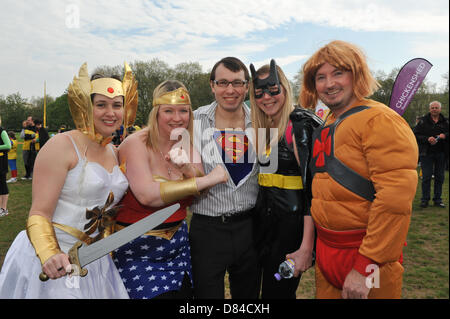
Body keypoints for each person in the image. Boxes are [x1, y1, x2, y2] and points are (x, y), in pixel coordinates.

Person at [0, 62, 137, 298]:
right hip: (53, 259)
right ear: (86, 107)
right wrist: (48, 253)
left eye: (117, 105)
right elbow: (39, 212)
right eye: (101, 105)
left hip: (95, 261)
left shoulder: (115, 152)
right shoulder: (62, 146)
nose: (110, 113)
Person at [299, 40, 418, 299]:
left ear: (356, 75)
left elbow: (394, 201)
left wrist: (365, 266)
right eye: (321, 77)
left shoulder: (380, 120)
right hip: (327, 252)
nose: (329, 84)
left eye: (338, 73)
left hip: (367, 258)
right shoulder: (328, 122)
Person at [113, 80, 228, 299]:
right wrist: (209, 179)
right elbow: (147, 195)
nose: (177, 118)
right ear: (156, 112)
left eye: (183, 110)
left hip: (177, 248)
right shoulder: (136, 143)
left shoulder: (186, 143)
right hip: (138, 250)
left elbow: (198, 195)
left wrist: (186, 169)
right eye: (169, 111)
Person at [249, 60, 321, 298]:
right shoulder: (263, 125)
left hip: (291, 232)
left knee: (278, 292)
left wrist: (306, 247)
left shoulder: (300, 124)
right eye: (259, 93)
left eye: (273, 90)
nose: (266, 98)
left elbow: (313, 192)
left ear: (285, 89)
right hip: (262, 229)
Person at [190, 57, 260, 299]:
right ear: (212, 85)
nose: (230, 90)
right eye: (222, 83)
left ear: (247, 86)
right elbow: (156, 130)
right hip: (207, 229)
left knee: (248, 297)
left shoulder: (261, 122)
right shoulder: (192, 121)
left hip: (250, 228)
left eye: (237, 83)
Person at [413, 101, 449, 208]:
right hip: (426, 153)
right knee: (426, 177)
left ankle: (438, 200)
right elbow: (415, 134)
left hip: (441, 153)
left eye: (436, 107)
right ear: (429, 109)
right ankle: (425, 200)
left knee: (440, 177)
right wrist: (427, 139)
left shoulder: (446, 121)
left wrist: (445, 135)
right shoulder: (423, 121)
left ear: (440, 109)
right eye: (432, 108)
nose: (434, 109)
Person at [0, 116, 12, 217]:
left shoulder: (2, 132)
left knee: (2, 185)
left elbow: (8, 145)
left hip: (1, 162)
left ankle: (4, 209)